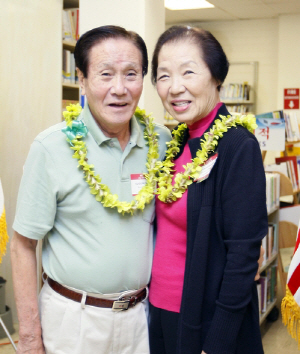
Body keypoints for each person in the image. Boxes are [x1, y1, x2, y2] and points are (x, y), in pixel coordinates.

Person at [10, 25, 171, 354]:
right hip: (73, 320)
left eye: (131, 74)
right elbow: (23, 245)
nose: (120, 89)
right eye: (105, 74)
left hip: (141, 318)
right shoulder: (52, 147)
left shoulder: (162, 142)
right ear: (82, 79)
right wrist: (29, 337)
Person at [148, 25, 268, 354]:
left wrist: (215, 344)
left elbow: (243, 257)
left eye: (188, 71)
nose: (175, 87)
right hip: (158, 310)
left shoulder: (237, 146)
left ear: (217, 77)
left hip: (203, 323)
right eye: (163, 76)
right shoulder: (176, 144)